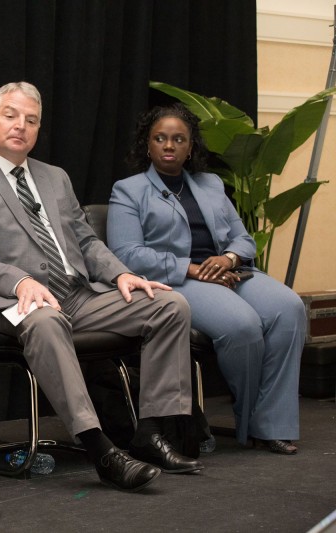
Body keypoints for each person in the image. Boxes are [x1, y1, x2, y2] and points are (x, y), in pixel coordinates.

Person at [0, 81, 204, 492]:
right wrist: (20, 279)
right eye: (10, 116)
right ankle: (100, 449)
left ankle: (150, 432)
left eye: (31, 120)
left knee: (170, 306)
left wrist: (119, 274)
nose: (20, 126)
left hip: (79, 295)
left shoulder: (54, 177)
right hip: (15, 301)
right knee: (45, 322)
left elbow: (85, 240)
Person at [108, 103, 305, 454]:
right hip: (180, 279)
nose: (169, 145)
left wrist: (227, 258)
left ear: (191, 146)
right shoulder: (129, 190)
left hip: (228, 271)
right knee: (242, 326)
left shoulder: (210, 184)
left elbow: (243, 238)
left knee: (289, 308)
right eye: (161, 138)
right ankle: (254, 418)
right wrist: (192, 268)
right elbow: (127, 254)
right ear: (148, 145)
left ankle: (271, 423)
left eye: (178, 139)